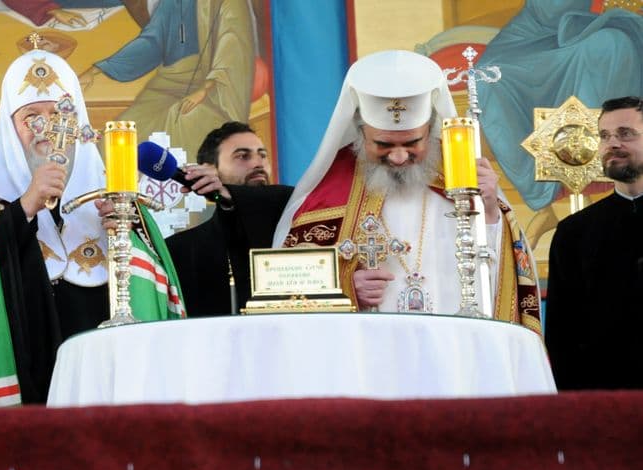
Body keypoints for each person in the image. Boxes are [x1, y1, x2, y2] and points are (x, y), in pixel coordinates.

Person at [0, 44, 183, 409]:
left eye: (59, 113)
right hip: (26, 379)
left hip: (106, 381)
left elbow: (155, 291)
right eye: (31, 117)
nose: (48, 128)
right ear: (10, 129)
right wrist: (25, 207)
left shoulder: (116, 198)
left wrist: (125, 235)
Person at [205, 50, 542, 331]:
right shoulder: (327, 192)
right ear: (360, 132)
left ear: (431, 130)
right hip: (369, 355)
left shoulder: (462, 179)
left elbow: (502, 276)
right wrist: (345, 288)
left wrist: (490, 210)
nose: (399, 157)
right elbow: (285, 288)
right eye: (383, 144)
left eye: (412, 143)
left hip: (454, 346)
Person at [476, 0, 643, 248]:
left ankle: (592, 170)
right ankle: (543, 201)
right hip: (531, 41)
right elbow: (548, 12)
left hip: (582, 33)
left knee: (609, 45)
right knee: (488, 79)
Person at [79, 0, 256, 163]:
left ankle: (183, 186)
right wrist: (97, 70)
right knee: (123, 133)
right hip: (170, 81)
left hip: (216, 88)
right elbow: (151, 42)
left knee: (181, 120)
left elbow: (233, 48)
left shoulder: (229, 2)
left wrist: (205, 88)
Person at [545, 96, 643, 390]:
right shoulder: (573, 232)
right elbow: (561, 335)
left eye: (625, 133)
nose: (612, 143)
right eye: (604, 135)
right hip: (602, 397)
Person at [165, 121, 283, 316]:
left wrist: (231, 194)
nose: (258, 164)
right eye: (243, 156)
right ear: (207, 170)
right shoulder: (179, 251)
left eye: (262, 155)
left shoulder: (296, 226)